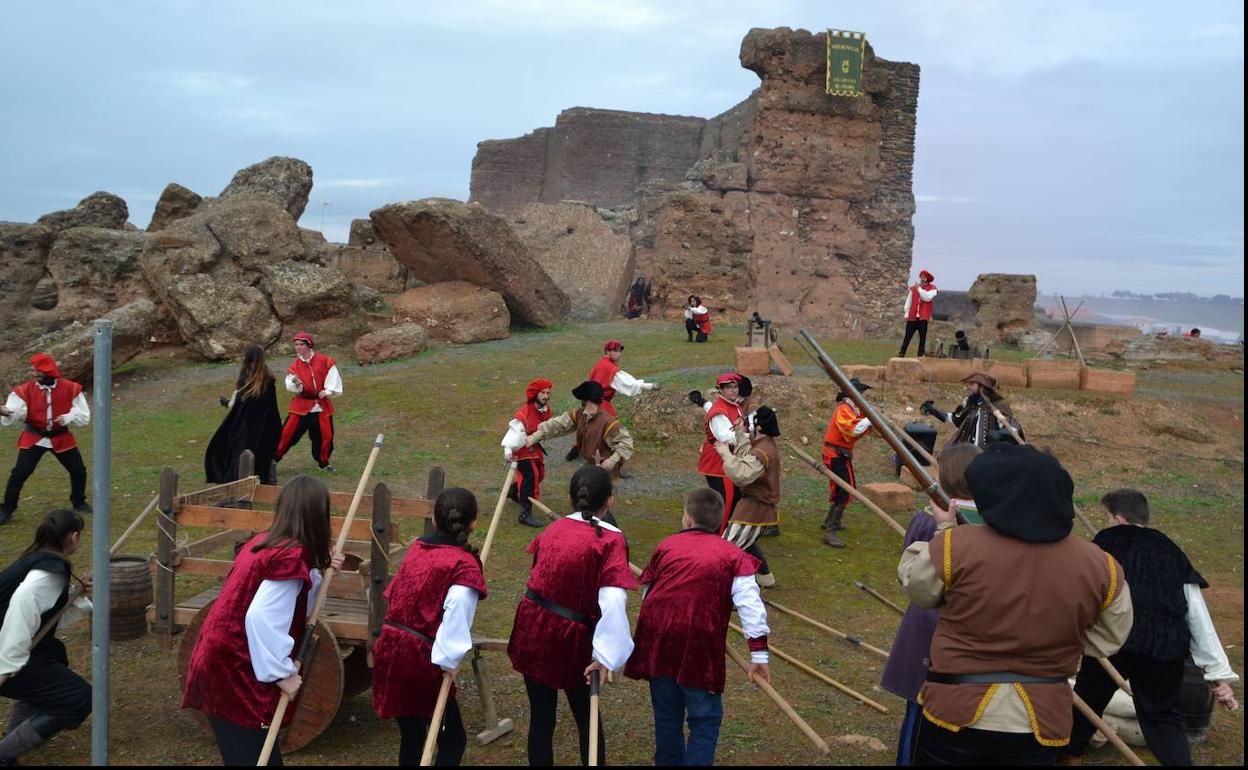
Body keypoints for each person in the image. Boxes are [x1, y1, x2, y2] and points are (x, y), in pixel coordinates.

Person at [898, 443, 1134, 765]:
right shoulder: (1101, 566)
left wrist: (943, 530)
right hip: (1043, 720)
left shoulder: (956, 545)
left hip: (956, 713)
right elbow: (1108, 639)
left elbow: (917, 586)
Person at [1061, 489, 1240, 766]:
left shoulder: (1106, 541)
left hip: (1114, 640)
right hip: (1163, 647)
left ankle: (1071, 756)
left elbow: (1084, 591)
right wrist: (1217, 674)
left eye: (1107, 517)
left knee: (1088, 700)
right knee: (1162, 715)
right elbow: (1196, 614)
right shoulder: (1170, 549)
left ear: (1118, 520)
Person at [181, 475, 345, 766]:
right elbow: (261, 618)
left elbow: (296, 602)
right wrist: (281, 673)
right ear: (320, 516)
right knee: (252, 757)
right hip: (232, 669)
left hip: (220, 659)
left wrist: (319, 569)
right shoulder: (290, 556)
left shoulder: (266, 542)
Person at [625, 487, 771, 766]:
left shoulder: (667, 546)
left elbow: (648, 594)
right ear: (718, 522)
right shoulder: (733, 555)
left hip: (660, 639)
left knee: (667, 716)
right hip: (698, 644)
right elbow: (751, 605)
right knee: (704, 719)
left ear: (688, 519)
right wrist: (759, 655)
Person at [507, 466, 637, 766]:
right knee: (585, 715)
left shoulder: (553, 529)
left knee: (542, 716)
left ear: (570, 497)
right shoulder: (610, 541)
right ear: (610, 501)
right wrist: (605, 656)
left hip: (532, 624)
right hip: (568, 639)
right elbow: (614, 599)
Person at [881, 443, 981, 765]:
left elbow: (909, 573)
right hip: (974, 630)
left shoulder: (927, 521)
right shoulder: (994, 520)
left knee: (920, 709)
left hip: (929, 625)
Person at [373, 488, 487, 767]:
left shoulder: (418, 549)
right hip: (419, 659)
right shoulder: (463, 565)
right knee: (452, 740)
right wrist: (450, 659)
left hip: (390, 648)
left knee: (412, 735)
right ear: (473, 524)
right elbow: (458, 610)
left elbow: (396, 597)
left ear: (434, 522)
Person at [0, 509, 93, 765]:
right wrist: (8, 663)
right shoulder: (48, 572)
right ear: (74, 537)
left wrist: (78, 595)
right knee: (79, 697)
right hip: (3, 651)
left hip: (17, 646)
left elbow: (46, 617)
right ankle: (3, 754)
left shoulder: (39, 558)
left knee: (51, 660)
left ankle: (14, 736)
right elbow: (22, 604)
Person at [0, 354, 91, 526]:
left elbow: (84, 415)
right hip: (35, 437)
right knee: (19, 473)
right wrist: (4, 411)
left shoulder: (71, 388)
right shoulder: (24, 391)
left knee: (78, 470)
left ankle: (78, 501)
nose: (36, 374)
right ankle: (6, 509)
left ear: (50, 371)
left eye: (39, 371)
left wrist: (68, 417)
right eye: (35, 371)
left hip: (61, 436)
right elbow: (16, 411)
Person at [715, 405, 781, 588]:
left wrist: (725, 453)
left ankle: (730, 592)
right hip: (752, 506)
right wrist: (738, 430)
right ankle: (765, 576)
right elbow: (746, 453)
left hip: (756, 508)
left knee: (726, 550)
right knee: (746, 542)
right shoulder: (762, 445)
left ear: (757, 427)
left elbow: (741, 473)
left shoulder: (764, 451)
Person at [524, 381, 634, 481]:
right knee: (580, 484)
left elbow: (626, 442)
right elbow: (559, 424)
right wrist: (536, 436)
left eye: (582, 399)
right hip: (591, 463)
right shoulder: (580, 414)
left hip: (605, 468)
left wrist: (613, 460)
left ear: (586, 400)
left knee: (595, 494)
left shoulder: (608, 422)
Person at [204, 345, 283, 485]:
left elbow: (239, 405)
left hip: (245, 428)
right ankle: (265, 480)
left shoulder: (251, 379)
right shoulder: (267, 378)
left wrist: (228, 403)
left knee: (239, 452)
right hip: (263, 427)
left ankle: (238, 483)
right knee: (261, 453)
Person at [275, 332, 342, 472]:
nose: (298, 347)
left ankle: (323, 462)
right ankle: (273, 459)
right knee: (287, 434)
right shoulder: (294, 367)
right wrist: (297, 385)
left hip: (321, 406)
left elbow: (333, 377)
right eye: (296, 345)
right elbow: (291, 385)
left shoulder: (325, 361)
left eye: (301, 345)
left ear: (309, 345)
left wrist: (328, 391)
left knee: (326, 436)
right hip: (301, 406)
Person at [820, 377, 875, 548]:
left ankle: (830, 520)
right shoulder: (843, 409)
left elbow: (861, 427)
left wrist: (869, 418)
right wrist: (870, 418)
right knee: (843, 490)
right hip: (835, 454)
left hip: (841, 454)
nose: (863, 397)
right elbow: (853, 429)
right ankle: (830, 530)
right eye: (860, 393)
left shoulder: (852, 411)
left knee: (845, 488)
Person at [501, 379, 555, 528]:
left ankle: (514, 492)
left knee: (540, 474)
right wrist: (508, 450)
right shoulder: (525, 413)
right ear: (535, 394)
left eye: (548, 393)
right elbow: (513, 433)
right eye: (543, 393)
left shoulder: (545, 410)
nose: (546, 396)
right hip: (523, 450)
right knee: (531, 476)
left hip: (534, 448)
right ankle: (525, 514)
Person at [921, 371, 1024, 448]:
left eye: (972, 384)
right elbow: (956, 419)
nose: (970, 387)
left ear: (981, 387)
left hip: (987, 456)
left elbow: (1014, 428)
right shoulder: (972, 405)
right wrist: (933, 411)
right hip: (967, 453)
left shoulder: (998, 407)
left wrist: (998, 435)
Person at [697, 373, 745, 527]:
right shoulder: (718, 412)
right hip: (718, 464)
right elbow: (726, 437)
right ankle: (720, 535)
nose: (734, 390)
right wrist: (750, 436)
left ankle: (727, 533)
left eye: (735, 387)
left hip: (730, 461)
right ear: (721, 390)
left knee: (734, 499)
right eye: (729, 387)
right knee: (725, 501)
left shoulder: (733, 405)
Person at [586, 340, 660, 420]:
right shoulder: (609, 368)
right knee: (615, 429)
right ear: (607, 352)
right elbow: (628, 383)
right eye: (615, 351)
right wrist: (650, 386)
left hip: (590, 403)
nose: (618, 354)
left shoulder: (599, 364)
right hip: (601, 405)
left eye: (619, 351)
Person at [899, 269, 937, 357]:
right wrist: (907, 312)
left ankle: (920, 355)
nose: (922, 279)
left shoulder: (932, 289)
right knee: (907, 336)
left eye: (924, 277)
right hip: (912, 316)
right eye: (921, 277)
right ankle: (902, 353)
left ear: (927, 279)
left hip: (923, 317)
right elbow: (909, 301)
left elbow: (926, 298)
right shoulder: (913, 289)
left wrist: (919, 289)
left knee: (922, 338)